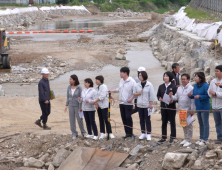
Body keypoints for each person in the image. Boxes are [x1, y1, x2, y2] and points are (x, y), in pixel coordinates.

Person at [109, 67, 136, 139]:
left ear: (125, 73)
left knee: (128, 117)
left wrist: (131, 99)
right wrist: (111, 91)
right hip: (121, 103)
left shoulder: (132, 81)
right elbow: (119, 89)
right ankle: (127, 133)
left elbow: (135, 93)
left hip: (128, 103)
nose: (120, 74)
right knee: (123, 118)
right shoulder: (121, 81)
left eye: (121, 72)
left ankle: (131, 133)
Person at [169, 74, 195, 147]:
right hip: (181, 109)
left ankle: (189, 140)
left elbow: (193, 100)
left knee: (189, 125)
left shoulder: (191, 88)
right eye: (182, 79)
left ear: (188, 80)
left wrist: (192, 110)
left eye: (184, 79)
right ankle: (185, 138)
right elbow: (176, 98)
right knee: (183, 124)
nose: (183, 80)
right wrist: (171, 96)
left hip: (188, 109)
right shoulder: (179, 88)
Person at [188, 72, 210, 146]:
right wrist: (190, 96)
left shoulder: (206, 85)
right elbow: (194, 95)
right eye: (195, 77)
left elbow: (208, 96)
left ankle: (205, 139)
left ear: (200, 78)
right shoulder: (196, 85)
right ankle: (201, 138)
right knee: (200, 123)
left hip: (204, 107)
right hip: (198, 107)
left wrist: (200, 97)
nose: (195, 78)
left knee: (205, 123)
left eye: (196, 76)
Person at [133, 71, 155, 141]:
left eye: (141, 76)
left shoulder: (149, 84)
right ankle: (143, 133)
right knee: (141, 119)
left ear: (144, 76)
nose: (139, 77)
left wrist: (151, 104)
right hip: (139, 105)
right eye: (139, 75)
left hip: (147, 105)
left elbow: (151, 95)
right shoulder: (137, 85)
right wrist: (138, 93)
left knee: (147, 120)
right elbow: (134, 94)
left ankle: (148, 134)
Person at [92, 75, 115, 139]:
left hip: (104, 106)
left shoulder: (104, 86)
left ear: (100, 80)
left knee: (106, 119)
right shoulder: (97, 88)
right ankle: (102, 133)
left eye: (97, 80)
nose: (96, 81)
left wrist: (95, 101)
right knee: (100, 119)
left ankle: (110, 133)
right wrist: (96, 104)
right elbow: (95, 96)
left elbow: (102, 96)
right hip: (99, 106)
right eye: (96, 80)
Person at [157, 71, 177, 144]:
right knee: (164, 122)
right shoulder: (161, 86)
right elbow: (158, 95)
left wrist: (173, 101)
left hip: (171, 107)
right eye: (164, 76)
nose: (165, 77)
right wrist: (159, 98)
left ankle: (172, 137)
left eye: (167, 76)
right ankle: (163, 137)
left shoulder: (173, 87)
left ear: (170, 78)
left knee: (172, 122)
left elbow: (176, 98)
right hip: (163, 107)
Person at [65, 74, 87, 140]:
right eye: (70, 79)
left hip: (77, 105)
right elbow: (68, 97)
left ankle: (83, 132)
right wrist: (66, 105)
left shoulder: (79, 87)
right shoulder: (69, 87)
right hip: (71, 105)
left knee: (79, 120)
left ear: (74, 80)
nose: (69, 80)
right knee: (72, 120)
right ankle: (74, 134)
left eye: (71, 79)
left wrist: (80, 107)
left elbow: (81, 97)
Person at [208, 65, 222, 144]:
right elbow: (209, 91)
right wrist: (211, 94)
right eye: (215, 71)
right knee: (217, 123)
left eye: (217, 71)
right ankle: (219, 138)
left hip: (221, 106)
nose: (215, 72)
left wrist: (216, 93)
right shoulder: (213, 81)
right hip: (214, 106)